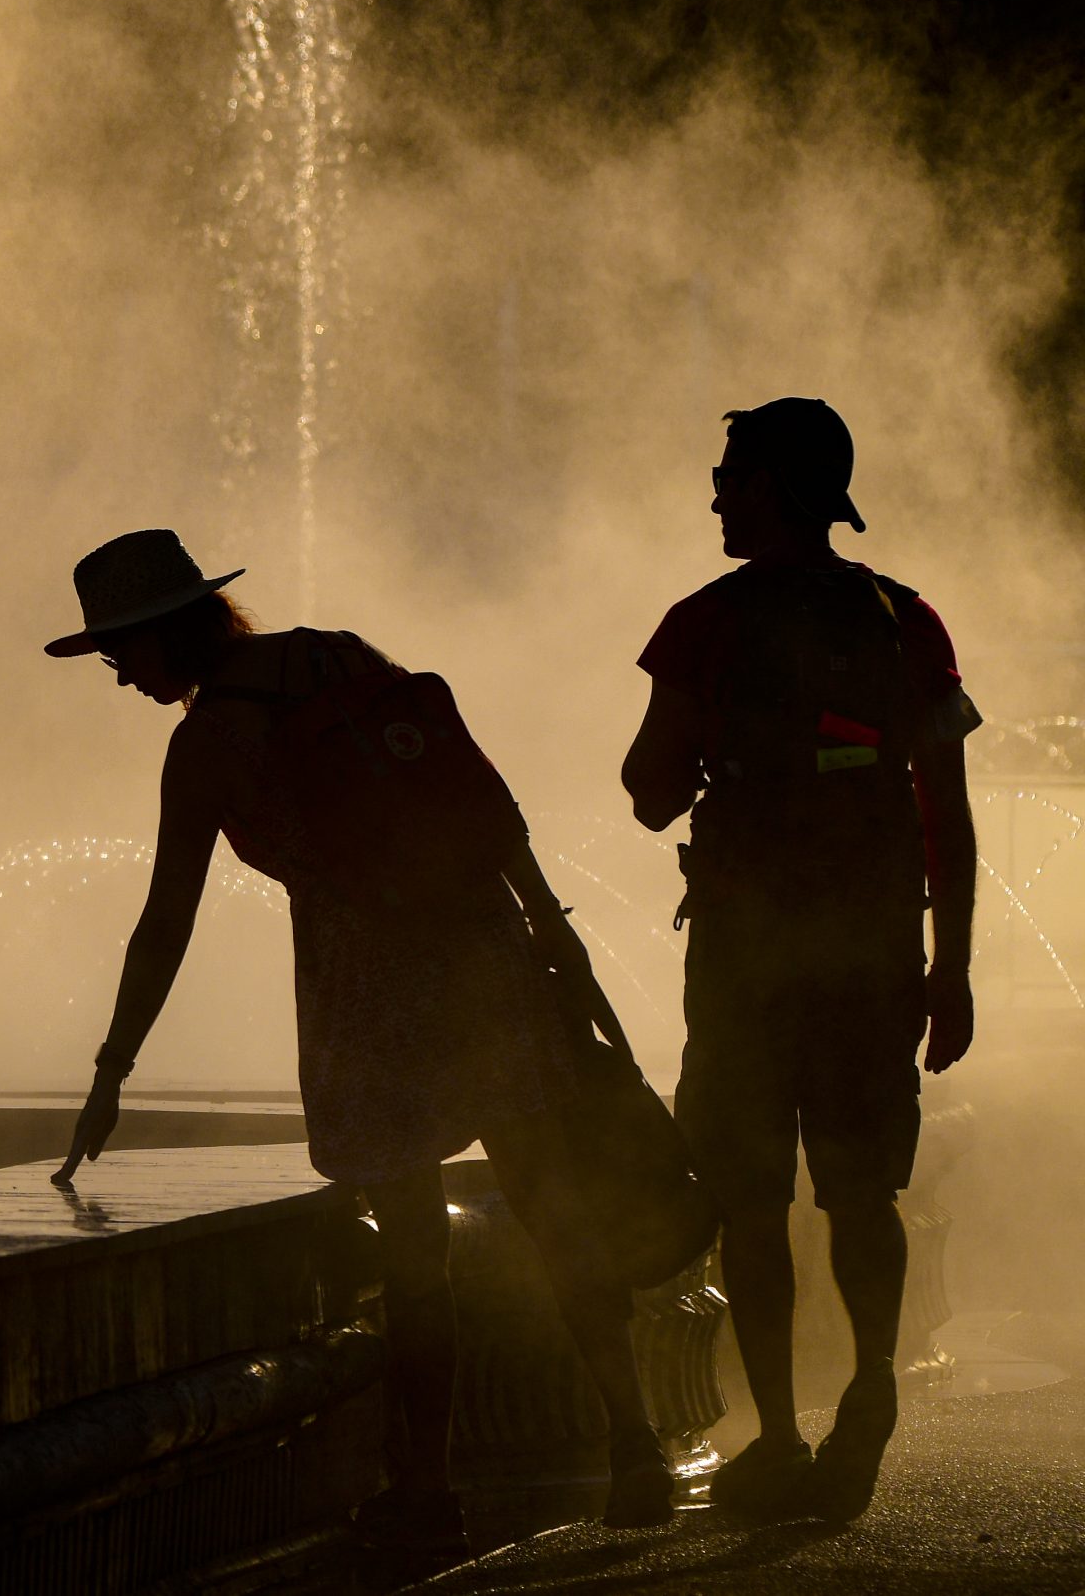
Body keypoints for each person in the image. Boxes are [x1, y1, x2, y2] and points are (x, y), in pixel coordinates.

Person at [47, 528, 672, 1559]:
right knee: (555, 1211)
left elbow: (167, 920)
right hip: (484, 959)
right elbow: (478, 796)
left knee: (414, 1259)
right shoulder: (338, 655)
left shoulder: (206, 746)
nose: (118, 675)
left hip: (368, 994)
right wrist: (551, 934)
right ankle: (635, 1441)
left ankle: (425, 1490)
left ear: (165, 632)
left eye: (120, 651)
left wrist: (113, 1068)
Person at [622, 398, 979, 1522]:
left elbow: (647, 792)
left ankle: (776, 1437)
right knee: (863, 1192)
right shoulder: (902, 618)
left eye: (728, 478)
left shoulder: (704, 624)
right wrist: (953, 969)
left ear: (770, 489)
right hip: (873, 952)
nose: (716, 498)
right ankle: (870, 1383)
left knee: (750, 1199)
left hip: (744, 963)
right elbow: (947, 814)